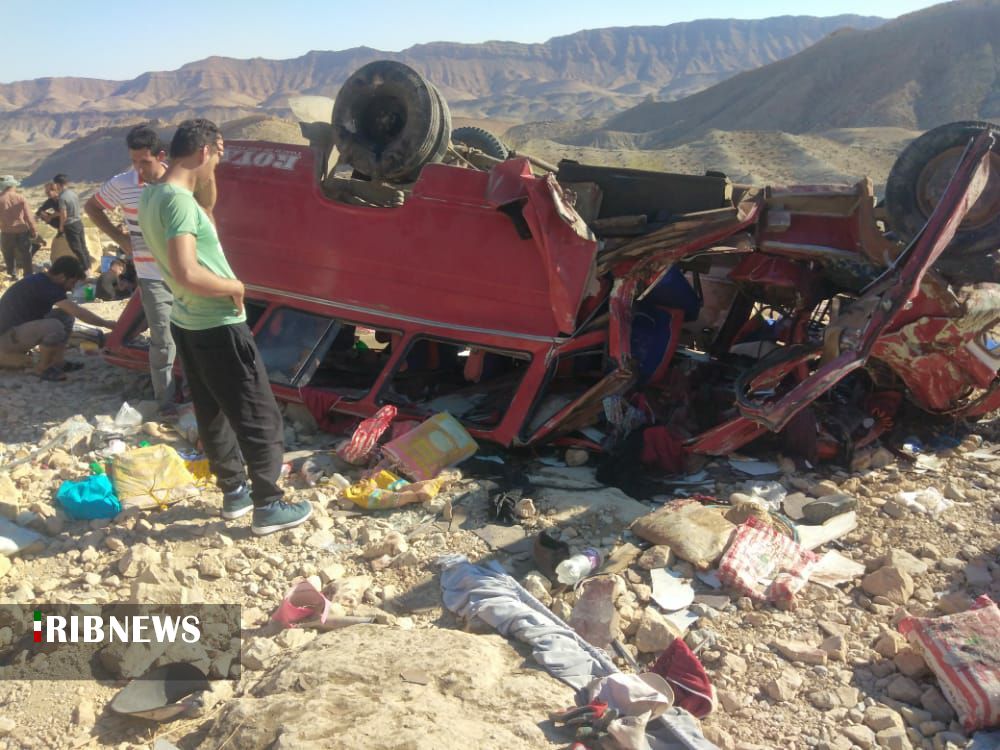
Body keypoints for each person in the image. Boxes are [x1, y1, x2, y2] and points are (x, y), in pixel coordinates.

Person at [138, 118, 311, 536]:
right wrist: (235, 285)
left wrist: (206, 177)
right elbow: (186, 271)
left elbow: (207, 209)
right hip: (217, 321)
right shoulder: (179, 203)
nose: (219, 164)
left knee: (212, 409)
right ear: (204, 151)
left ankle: (234, 493)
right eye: (218, 156)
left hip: (187, 322)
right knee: (258, 414)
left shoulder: (153, 196)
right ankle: (269, 504)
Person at [85, 125, 177, 411]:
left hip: (186, 275)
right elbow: (93, 208)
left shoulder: (178, 182)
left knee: (192, 335)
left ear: (161, 156)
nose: (138, 168)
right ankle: (167, 403)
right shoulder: (123, 184)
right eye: (134, 161)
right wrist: (121, 239)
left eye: (144, 162)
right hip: (151, 275)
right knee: (162, 339)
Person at [0, 256, 116, 379]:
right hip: (6, 338)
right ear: (62, 277)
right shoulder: (46, 286)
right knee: (54, 326)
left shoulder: (43, 281)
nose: (71, 287)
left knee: (65, 316)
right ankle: (42, 368)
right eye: (72, 282)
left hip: (15, 332)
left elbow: (70, 312)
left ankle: (57, 362)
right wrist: (106, 323)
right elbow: (78, 312)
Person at [0, 175, 39, 279]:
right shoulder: (20, 198)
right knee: (26, 254)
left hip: (6, 231)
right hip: (22, 230)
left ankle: (12, 274)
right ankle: (28, 275)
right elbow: (28, 216)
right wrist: (33, 229)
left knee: (8, 253)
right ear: (12, 185)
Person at [53, 174, 93, 271]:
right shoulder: (73, 193)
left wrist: (61, 227)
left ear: (58, 184)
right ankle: (89, 266)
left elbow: (64, 214)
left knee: (76, 248)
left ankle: (85, 270)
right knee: (83, 246)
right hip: (79, 222)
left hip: (70, 225)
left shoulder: (62, 197)